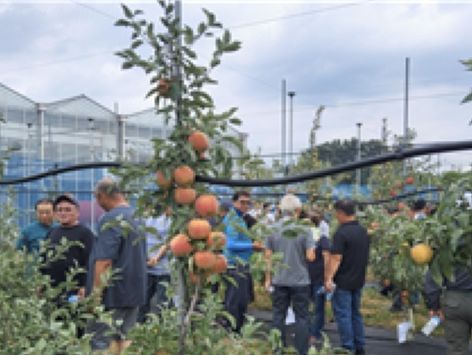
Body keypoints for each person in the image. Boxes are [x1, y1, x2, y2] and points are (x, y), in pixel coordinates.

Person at [87, 177, 147, 353]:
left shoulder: (111, 219)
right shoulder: (137, 217)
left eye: (97, 198)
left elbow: (104, 261)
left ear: (101, 196)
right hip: (134, 290)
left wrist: (96, 296)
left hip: (113, 294)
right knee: (125, 340)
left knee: (101, 342)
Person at [264, 194, 316, 355]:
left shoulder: (272, 229)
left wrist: (268, 279)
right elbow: (310, 257)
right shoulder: (304, 230)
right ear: (298, 210)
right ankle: (301, 350)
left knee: (278, 315)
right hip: (300, 280)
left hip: (279, 280)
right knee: (302, 316)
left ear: (281, 209)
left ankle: (277, 348)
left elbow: (268, 257)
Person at [325, 199, 370, 355]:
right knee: (355, 313)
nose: (336, 217)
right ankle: (360, 346)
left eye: (336, 213)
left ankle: (348, 347)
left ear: (341, 213)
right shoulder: (363, 231)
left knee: (343, 315)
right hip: (358, 279)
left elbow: (336, 258)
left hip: (343, 280)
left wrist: (329, 278)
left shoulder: (341, 233)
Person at [222, 190, 264, 332]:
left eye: (247, 203)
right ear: (234, 202)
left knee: (241, 301)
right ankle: (232, 331)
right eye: (242, 202)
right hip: (235, 266)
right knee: (235, 301)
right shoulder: (233, 219)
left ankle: (236, 331)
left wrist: (253, 247)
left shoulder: (240, 218)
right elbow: (231, 244)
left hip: (242, 264)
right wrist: (252, 245)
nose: (245, 205)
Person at [41, 194, 94, 303]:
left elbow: (90, 262)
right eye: (59, 210)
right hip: (52, 291)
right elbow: (43, 259)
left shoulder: (85, 234)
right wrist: (40, 283)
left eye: (68, 210)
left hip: (75, 292)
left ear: (77, 212)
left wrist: (85, 286)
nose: (63, 213)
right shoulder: (52, 232)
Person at [424, 267, 472, 354]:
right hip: (456, 301)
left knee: (457, 349)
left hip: (455, 303)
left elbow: (433, 275)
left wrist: (434, 306)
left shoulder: (445, 252)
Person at [138, 206, 172, 323]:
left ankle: (162, 327)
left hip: (164, 268)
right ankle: (141, 326)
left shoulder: (169, 222)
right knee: (144, 300)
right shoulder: (147, 220)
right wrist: (147, 259)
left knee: (162, 301)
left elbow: (168, 243)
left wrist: (156, 258)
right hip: (149, 266)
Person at [307, 210, 331, 345]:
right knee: (316, 306)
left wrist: (327, 277)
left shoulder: (322, 239)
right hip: (310, 276)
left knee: (316, 307)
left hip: (316, 276)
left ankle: (315, 333)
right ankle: (314, 331)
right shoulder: (312, 238)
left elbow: (327, 256)